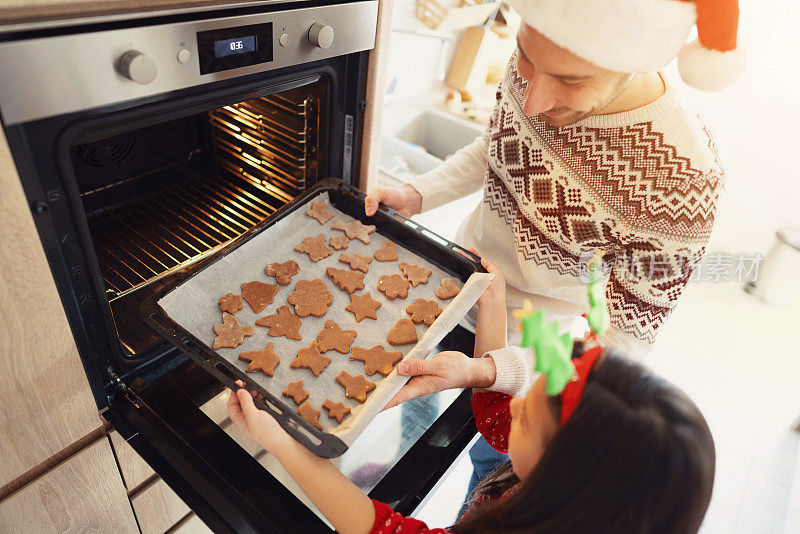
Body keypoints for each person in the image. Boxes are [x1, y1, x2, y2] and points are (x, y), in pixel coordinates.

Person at [366, 0, 739, 497]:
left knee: (494, 458)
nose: (536, 95)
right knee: (414, 399)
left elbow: (619, 348)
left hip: (531, 348)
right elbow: (499, 142)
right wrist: (419, 193)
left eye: (571, 81)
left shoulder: (685, 179)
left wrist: (494, 370)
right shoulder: (540, 59)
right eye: (524, 56)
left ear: (635, 60)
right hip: (447, 283)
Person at [226, 260, 716, 533]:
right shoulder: (583, 501)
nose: (517, 403)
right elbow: (497, 421)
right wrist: (492, 305)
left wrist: (281, 441)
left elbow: (381, 530)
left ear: (559, 483)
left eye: (528, 421)